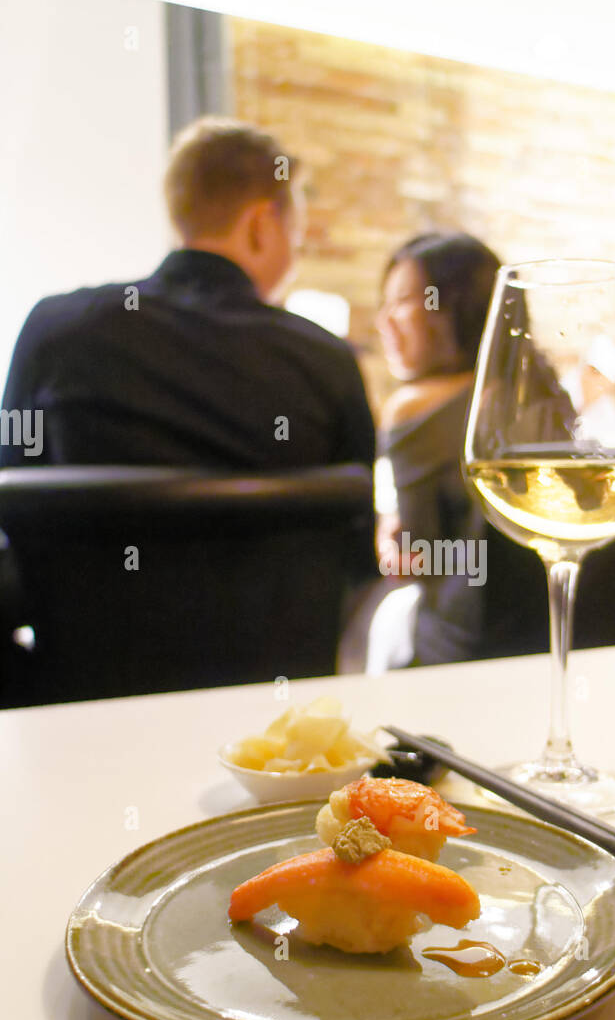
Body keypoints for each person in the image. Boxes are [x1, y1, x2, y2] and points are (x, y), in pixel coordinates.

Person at [0, 116, 375, 471]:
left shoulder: (53, 330)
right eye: (294, 236)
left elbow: (11, 483)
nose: (294, 257)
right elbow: (352, 526)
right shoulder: (326, 365)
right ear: (259, 225)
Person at [368, 231, 549, 668]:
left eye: (403, 301)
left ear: (458, 308)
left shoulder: (412, 407)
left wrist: (393, 544)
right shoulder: (543, 386)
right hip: (544, 632)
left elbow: (420, 560)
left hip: (459, 646)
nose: (384, 322)